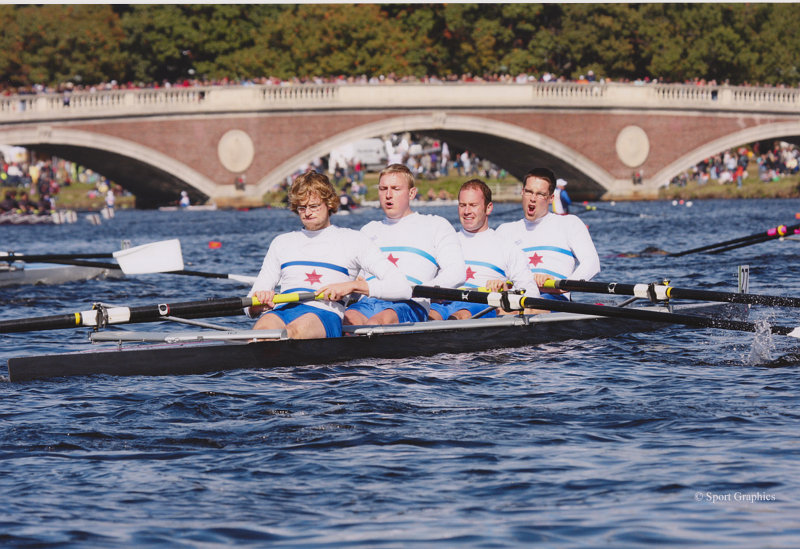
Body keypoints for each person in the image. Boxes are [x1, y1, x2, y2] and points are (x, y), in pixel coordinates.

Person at [246, 171, 410, 339]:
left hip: (324, 313)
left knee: (292, 332)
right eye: (302, 207)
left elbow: (402, 287)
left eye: (314, 206)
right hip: (282, 310)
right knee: (260, 333)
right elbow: (250, 302)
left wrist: (352, 286)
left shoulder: (354, 240)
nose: (307, 213)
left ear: (329, 203)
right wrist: (257, 304)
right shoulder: (281, 242)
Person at [344, 163, 465, 325]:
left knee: (376, 322)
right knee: (346, 321)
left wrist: (420, 290)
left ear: (412, 193)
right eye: (383, 189)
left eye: (395, 188)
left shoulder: (436, 225)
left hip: (410, 302)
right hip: (369, 301)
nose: (388, 195)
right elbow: (351, 277)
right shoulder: (367, 230)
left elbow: (456, 272)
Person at [429, 179, 542, 320]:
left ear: (488, 208)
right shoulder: (443, 243)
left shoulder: (507, 247)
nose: (466, 211)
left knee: (460, 316)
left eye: (473, 205)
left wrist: (506, 291)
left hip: (480, 305)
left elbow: (531, 293)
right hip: (443, 304)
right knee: (429, 316)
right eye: (462, 205)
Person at [496, 168, 600, 301]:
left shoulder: (569, 223)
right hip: (514, 297)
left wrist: (562, 286)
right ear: (522, 192)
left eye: (540, 194)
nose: (532, 199)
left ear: (551, 198)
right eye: (529, 192)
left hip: (554, 298)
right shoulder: (504, 230)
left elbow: (592, 263)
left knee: (530, 305)